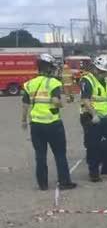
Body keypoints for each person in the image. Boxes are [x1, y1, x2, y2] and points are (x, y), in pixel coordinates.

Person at [21, 54, 77, 191]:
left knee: (40, 155)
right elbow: (55, 101)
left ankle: (43, 184)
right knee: (59, 154)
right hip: (53, 124)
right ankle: (64, 182)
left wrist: (23, 121)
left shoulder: (29, 84)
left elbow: (25, 105)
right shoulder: (53, 83)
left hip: (36, 125)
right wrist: (62, 104)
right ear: (48, 68)